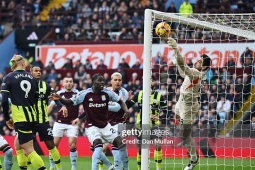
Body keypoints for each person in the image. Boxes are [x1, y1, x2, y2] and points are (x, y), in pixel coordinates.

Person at [49, 73, 130, 170]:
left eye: (103, 80)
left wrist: (126, 111)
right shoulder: (84, 94)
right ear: (93, 82)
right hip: (92, 126)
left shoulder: (107, 93)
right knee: (98, 146)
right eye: (99, 80)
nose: (102, 82)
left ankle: (125, 168)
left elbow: (120, 102)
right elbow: (69, 102)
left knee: (121, 144)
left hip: (105, 126)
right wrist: (60, 98)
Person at [168, 37, 212, 170]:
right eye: (198, 59)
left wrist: (176, 49)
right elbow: (183, 73)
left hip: (189, 106)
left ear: (204, 66)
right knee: (176, 117)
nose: (196, 61)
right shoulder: (193, 73)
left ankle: (194, 158)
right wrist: (177, 63)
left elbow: (184, 67)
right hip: (181, 101)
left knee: (186, 136)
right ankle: (182, 132)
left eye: (199, 61)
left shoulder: (197, 73)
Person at [1, 55, 46, 170]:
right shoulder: (33, 79)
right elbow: (36, 100)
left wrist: (7, 118)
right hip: (32, 118)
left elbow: (4, 101)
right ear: (22, 63)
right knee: (18, 146)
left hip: (21, 119)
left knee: (29, 149)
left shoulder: (8, 77)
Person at [13, 65, 63, 170]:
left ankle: (59, 168)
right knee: (27, 147)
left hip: (43, 121)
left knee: (51, 145)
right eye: (36, 71)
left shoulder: (45, 86)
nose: (39, 72)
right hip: (28, 121)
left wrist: (62, 106)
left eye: (40, 70)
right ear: (30, 72)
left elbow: (55, 97)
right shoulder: (24, 86)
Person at [131, 75, 167, 170]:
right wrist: (127, 99)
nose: (150, 82)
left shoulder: (159, 96)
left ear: (155, 82)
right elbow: (127, 106)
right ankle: (140, 168)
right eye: (147, 80)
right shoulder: (138, 94)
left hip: (155, 125)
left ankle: (158, 168)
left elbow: (168, 112)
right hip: (141, 126)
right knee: (141, 149)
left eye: (152, 80)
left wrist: (159, 117)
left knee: (158, 144)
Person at [47, 77, 79, 170]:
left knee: (72, 145)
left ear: (73, 83)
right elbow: (51, 106)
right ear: (63, 83)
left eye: (70, 81)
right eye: (67, 82)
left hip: (72, 123)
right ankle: (52, 166)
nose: (69, 83)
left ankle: (73, 167)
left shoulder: (77, 93)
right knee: (53, 145)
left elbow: (85, 107)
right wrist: (43, 117)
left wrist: (79, 118)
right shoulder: (59, 94)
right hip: (59, 122)